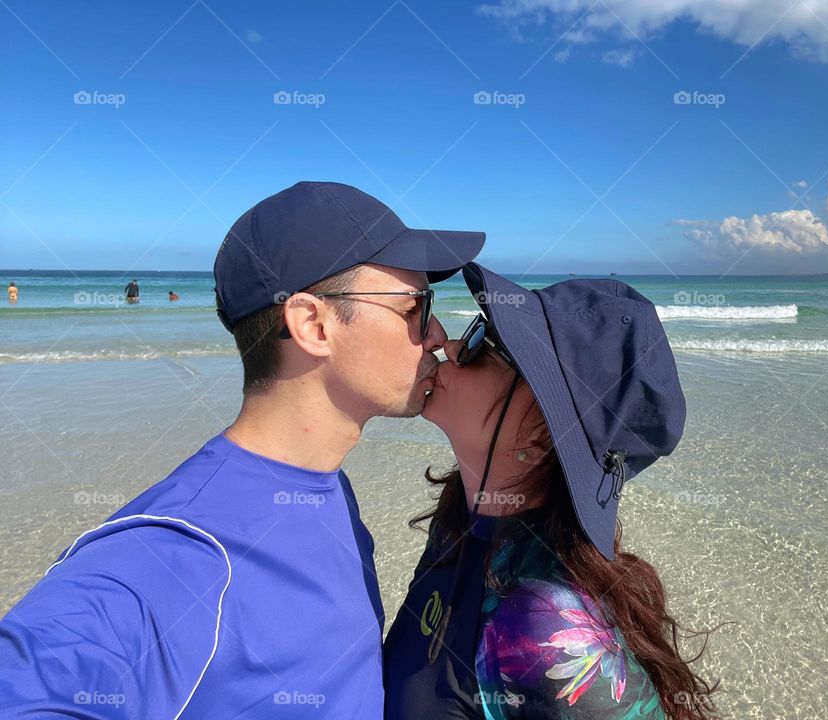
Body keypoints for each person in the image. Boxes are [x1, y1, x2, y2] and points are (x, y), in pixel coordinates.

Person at [0, 181, 485, 717]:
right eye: (416, 306)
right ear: (313, 324)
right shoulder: (177, 552)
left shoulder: (327, 486)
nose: (437, 333)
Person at [384, 264, 722, 719]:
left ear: (540, 437)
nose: (453, 346)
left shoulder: (547, 629)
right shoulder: (459, 523)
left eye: (485, 344)